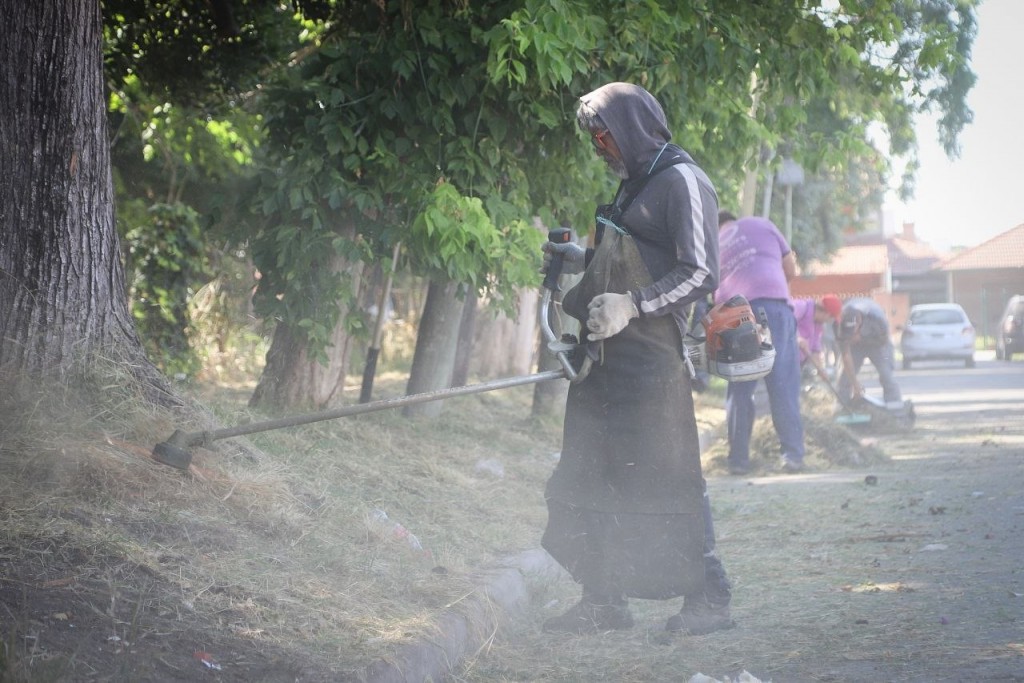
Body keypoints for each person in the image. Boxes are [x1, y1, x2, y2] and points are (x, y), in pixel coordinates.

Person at [539, 82, 733, 636]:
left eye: (602, 135)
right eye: (594, 138)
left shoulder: (683, 181)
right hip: (603, 356)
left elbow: (700, 273)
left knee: (666, 476)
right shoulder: (633, 184)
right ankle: (603, 600)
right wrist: (581, 258)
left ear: (628, 128)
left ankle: (711, 598)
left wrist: (634, 304)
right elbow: (629, 254)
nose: (598, 147)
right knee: (591, 470)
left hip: (652, 360)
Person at [716, 214, 806, 474]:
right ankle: (792, 456)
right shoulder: (761, 223)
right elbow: (790, 269)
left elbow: (712, 295)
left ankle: (738, 462)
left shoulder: (711, 244)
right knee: (783, 385)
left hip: (736, 315)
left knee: (740, 391)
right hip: (774, 308)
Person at [835, 298, 903, 406]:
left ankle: (894, 403)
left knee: (886, 374)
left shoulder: (877, 319)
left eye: (853, 331)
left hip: (877, 344)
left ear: (859, 321)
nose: (851, 335)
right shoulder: (839, 323)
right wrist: (855, 384)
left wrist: (861, 338)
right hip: (855, 347)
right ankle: (842, 405)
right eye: (849, 333)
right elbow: (846, 356)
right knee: (844, 377)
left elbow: (883, 341)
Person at [791, 294, 843, 381]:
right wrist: (797, 337)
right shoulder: (801, 307)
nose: (830, 321)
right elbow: (785, 320)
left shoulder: (818, 325)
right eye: (832, 317)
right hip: (783, 359)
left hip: (797, 364)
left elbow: (815, 350)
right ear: (826, 313)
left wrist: (820, 370)